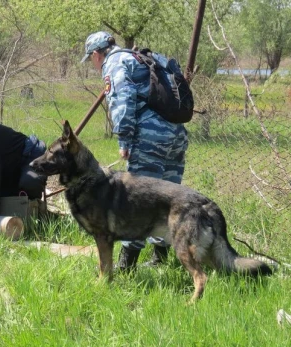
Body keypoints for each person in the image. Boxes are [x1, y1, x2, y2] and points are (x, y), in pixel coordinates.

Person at [81, 31, 189, 271]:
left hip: (150, 137)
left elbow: (123, 100)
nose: (93, 63)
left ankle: (126, 266)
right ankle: (161, 259)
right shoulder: (141, 58)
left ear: (97, 54)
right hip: (176, 134)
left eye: (91, 58)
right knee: (166, 196)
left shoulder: (115, 62)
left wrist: (125, 139)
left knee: (137, 200)